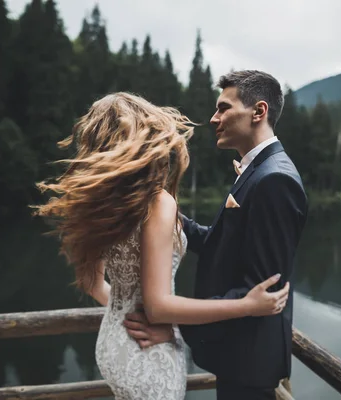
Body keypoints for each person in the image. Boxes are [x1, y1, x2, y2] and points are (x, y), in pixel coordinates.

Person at [34, 92, 290, 400]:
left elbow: (92, 283)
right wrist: (246, 306)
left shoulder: (102, 205)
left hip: (114, 342)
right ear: (145, 138)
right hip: (148, 352)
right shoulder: (157, 203)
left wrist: (125, 312)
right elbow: (158, 307)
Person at [124, 71, 308, 399]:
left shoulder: (274, 179)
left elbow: (262, 290)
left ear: (258, 112)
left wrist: (176, 326)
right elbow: (221, 242)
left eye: (223, 108)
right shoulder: (256, 169)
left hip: (249, 363)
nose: (214, 118)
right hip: (238, 356)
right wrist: (164, 213)